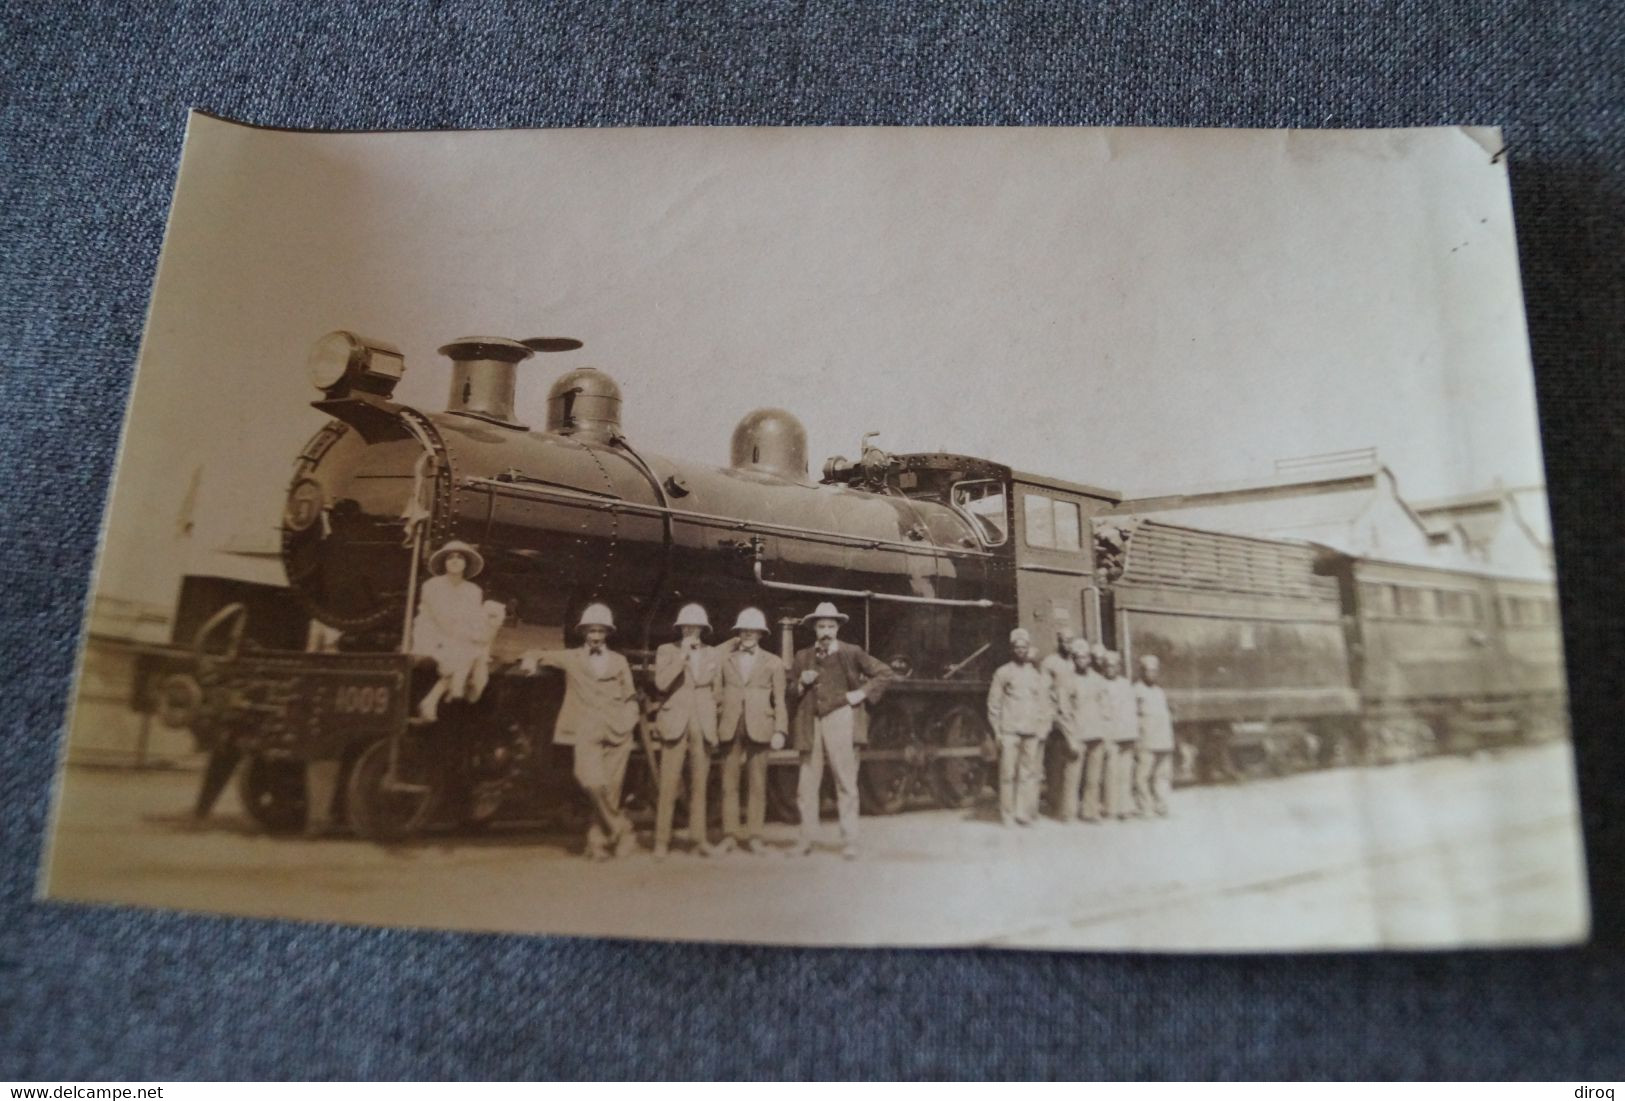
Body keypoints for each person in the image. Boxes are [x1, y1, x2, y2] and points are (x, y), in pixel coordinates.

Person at [521, 604, 641, 860]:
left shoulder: (619, 661)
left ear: (607, 633)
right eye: (591, 631)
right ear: (584, 632)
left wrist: (629, 719)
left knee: (611, 789)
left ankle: (597, 843)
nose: (595, 636)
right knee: (590, 780)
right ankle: (622, 827)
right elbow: (536, 652)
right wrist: (530, 661)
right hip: (585, 728)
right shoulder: (572, 658)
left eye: (600, 631)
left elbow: (630, 695)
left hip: (617, 729)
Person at [786, 601, 894, 859]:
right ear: (814, 628)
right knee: (807, 782)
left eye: (830, 626)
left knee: (845, 780)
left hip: (841, 717)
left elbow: (885, 673)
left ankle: (850, 840)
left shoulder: (851, 652)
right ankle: (806, 839)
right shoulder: (802, 656)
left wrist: (861, 694)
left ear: (837, 628)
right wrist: (800, 684)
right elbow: (789, 689)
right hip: (810, 721)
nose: (825, 631)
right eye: (821, 626)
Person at [650, 603, 722, 860]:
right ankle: (661, 841)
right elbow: (661, 683)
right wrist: (682, 657)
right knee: (668, 784)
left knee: (700, 784)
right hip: (675, 721)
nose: (691, 631)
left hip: (702, 722)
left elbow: (717, 690)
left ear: (703, 629)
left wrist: (713, 720)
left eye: (696, 627)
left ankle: (698, 839)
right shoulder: (667, 651)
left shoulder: (713, 653)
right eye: (686, 627)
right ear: (679, 628)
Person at [714, 607, 789, 855]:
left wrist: (780, 730)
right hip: (730, 724)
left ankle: (755, 836)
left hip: (761, 725)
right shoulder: (724, 659)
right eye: (743, 630)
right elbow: (716, 694)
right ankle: (730, 835)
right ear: (738, 633)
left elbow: (779, 700)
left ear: (760, 633)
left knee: (757, 783)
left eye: (752, 630)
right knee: (729, 783)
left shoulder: (774, 662)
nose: (747, 634)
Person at [411, 540, 492, 723]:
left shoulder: (473, 590)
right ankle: (448, 693)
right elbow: (440, 618)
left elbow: (474, 618)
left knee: (478, 653)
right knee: (466, 651)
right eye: (450, 557)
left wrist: (478, 636)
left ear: (466, 564)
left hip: (458, 636)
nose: (455, 561)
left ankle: (435, 698)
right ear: (444, 563)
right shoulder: (432, 585)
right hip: (432, 635)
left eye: (460, 557)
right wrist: (466, 636)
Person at [986, 627, 1051, 827]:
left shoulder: (1035, 675)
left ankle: (1023, 813)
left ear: (1028, 649)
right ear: (1011, 649)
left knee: (1027, 774)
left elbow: (1044, 704)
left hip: (1031, 732)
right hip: (1010, 732)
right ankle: (1007, 814)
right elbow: (994, 704)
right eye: (1017, 647)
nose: (1021, 650)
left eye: (1024, 647)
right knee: (1007, 774)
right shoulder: (1003, 672)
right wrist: (997, 731)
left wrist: (1042, 728)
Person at [1053, 637, 1101, 822]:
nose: (1082, 660)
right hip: (1077, 735)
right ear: (1073, 659)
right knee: (1072, 777)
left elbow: (1104, 706)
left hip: (1096, 734)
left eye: (1085, 657)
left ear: (1090, 659)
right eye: (1078, 657)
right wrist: (1070, 737)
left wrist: (1104, 731)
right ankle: (1069, 813)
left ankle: (1090, 811)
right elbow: (1063, 711)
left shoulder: (1097, 679)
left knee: (1093, 778)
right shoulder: (1067, 681)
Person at [1134, 655, 1176, 817]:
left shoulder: (1159, 691)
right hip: (1146, 741)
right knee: (1142, 776)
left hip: (1163, 741)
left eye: (1154, 671)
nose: (1151, 674)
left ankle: (1161, 805)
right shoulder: (1136, 691)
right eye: (1148, 671)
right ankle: (1144, 807)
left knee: (1162, 775)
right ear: (1142, 672)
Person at [1102, 650, 1140, 819]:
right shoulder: (1101, 685)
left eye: (1115, 666)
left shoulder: (1126, 684)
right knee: (1111, 773)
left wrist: (1134, 732)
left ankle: (1126, 807)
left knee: (1126, 773)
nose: (1111, 669)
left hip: (1127, 734)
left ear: (1119, 667)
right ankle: (1111, 808)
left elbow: (1132, 710)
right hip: (1111, 734)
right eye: (1108, 666)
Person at [1078, 643, 1114, 822]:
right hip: (1082, 732)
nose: (1099, 662)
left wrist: (1106, 731)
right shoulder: (1076, 679)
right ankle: (1080, 810)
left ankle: (1094, 809)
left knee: (1096, 776)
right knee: (1081, 775)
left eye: (1102, 659)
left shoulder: (1102, 681)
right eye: (1096, 658)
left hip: (1099, 732)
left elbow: (1106, 709)